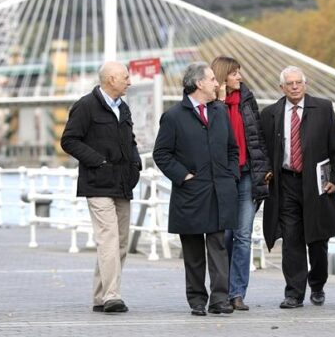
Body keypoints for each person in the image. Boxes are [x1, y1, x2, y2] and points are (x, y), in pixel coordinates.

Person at [153, 62, 239, 316]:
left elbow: (232, 149)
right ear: (199, 83)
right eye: (212, 79)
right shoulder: (173, 116)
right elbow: (162, 154)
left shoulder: (220, 112)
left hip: (220, 191)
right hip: (190, 194)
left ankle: (220, 299)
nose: (217, 84)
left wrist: (230, 174)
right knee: (192, 251)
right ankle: (197, 299)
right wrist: (184, 176)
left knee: (219, 247)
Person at [260, 66, 335, 309]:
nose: (295, 86)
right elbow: (264, 151)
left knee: (318, 239)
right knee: (291, 238)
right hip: (285, 182)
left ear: (305, 85)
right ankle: (294, 293)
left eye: (299, 82)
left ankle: (317, 285)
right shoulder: (270, 114)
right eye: (290, 83)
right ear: (282, 88)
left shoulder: (323, 108)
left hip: (316, 183)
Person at [60, 61, 141, 313]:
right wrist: (99, 162)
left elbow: (131, 140)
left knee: (120, 243)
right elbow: (69, 140)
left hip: (123, 184)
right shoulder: (85, 106)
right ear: (111, 80)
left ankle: (99, 295)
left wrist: (135, 165)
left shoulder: (123, 108)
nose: (130, 82)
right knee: (108, 239)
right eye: (126, 77)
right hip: (97, 183)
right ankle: (112, 296)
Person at [210, 56, 271, 311]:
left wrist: (264, 169)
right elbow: (213, 133)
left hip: (247, 174)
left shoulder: (248, 99)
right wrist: (221, 101)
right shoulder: (212, 104)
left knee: (243, 235)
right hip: (223, 177)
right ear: (223, 76)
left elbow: (256, 136)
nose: (240, 77)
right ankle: (221, 291)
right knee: (224, 236)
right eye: (235, 73)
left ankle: (237, 293)